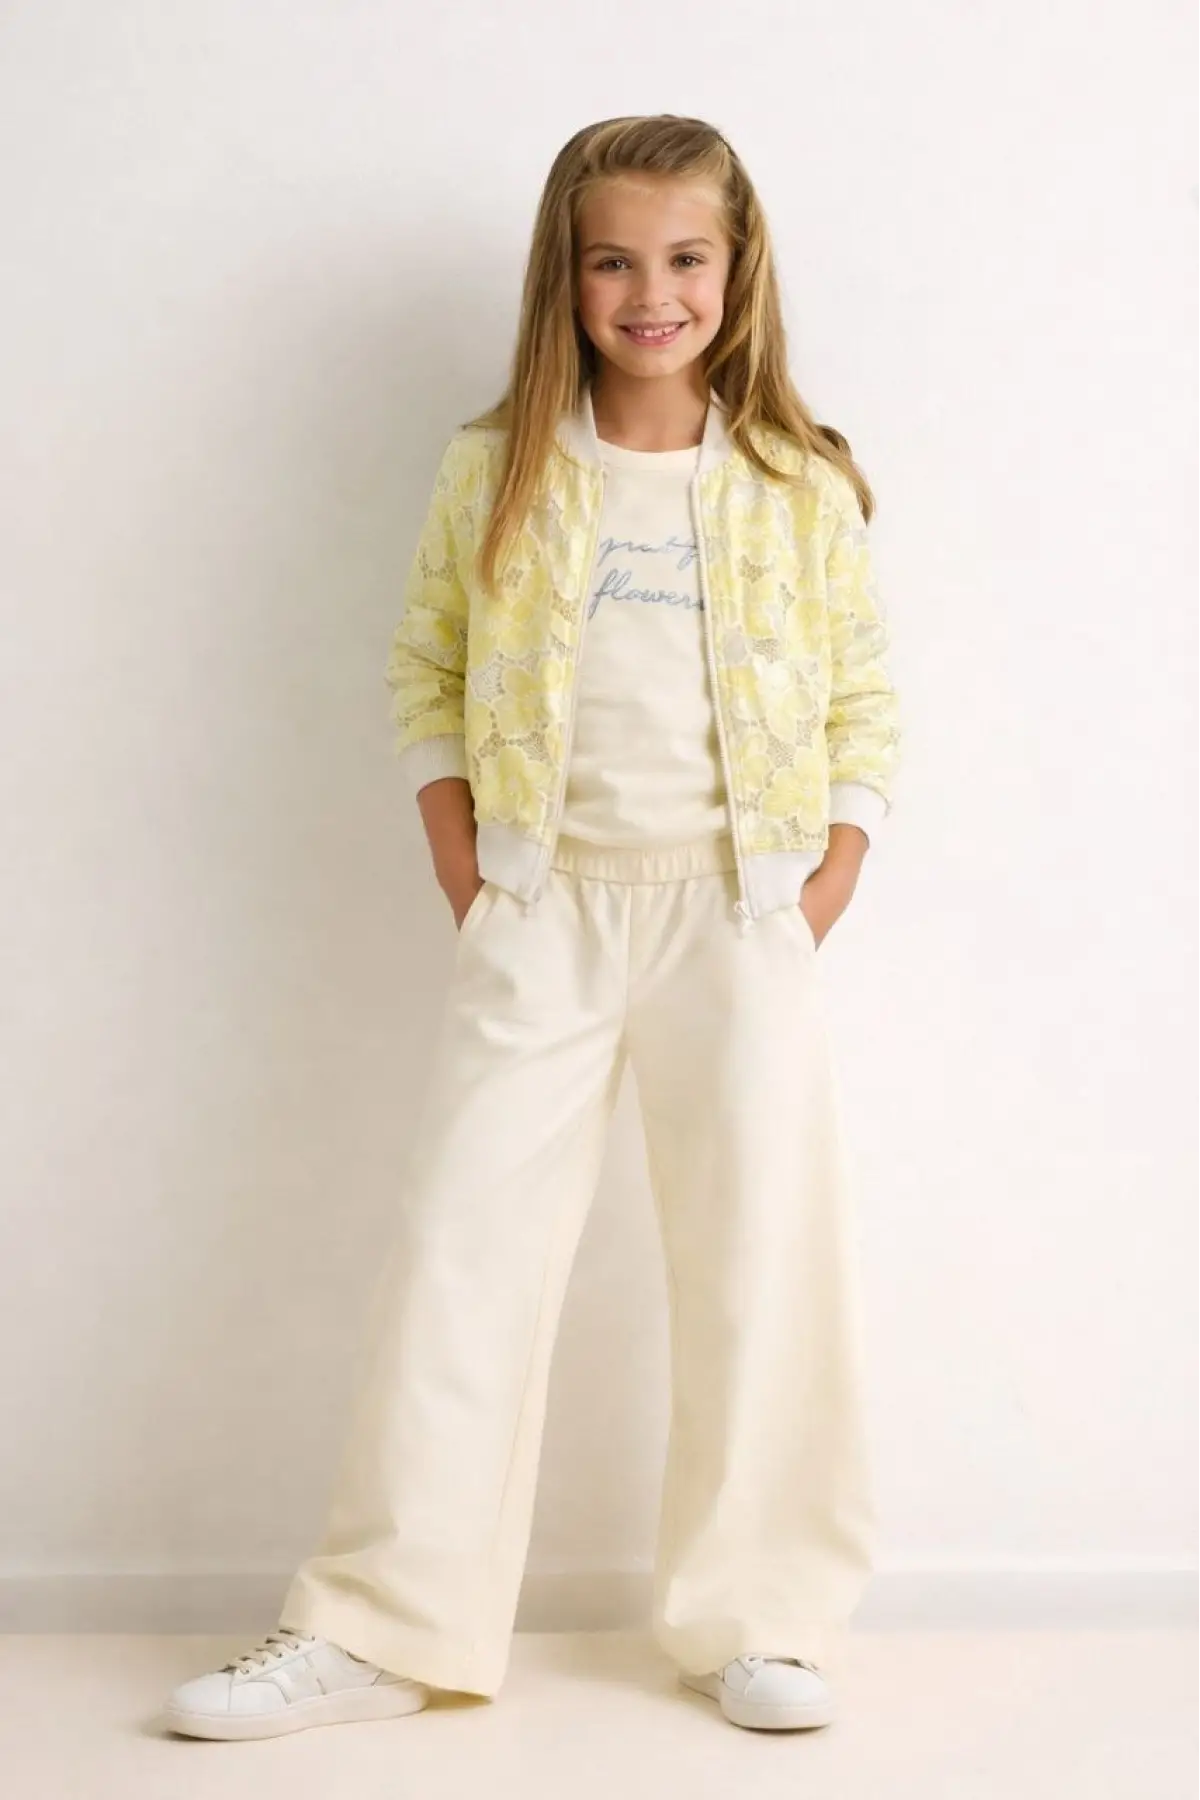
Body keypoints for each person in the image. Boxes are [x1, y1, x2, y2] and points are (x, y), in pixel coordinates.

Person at [162, 111, 902, 1743]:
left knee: (761, 1263)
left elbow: (862, 694)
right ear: (565, 279)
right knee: (463, 1256)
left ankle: (763, 1615)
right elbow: (426, 664)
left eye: (685, 258)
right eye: (612, 261)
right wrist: (470, 866)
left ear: (738, 269)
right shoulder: (496, 466)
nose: (652, 293)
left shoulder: (796, 479)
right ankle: (380, 1625)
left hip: (737, 912)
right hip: (542, 911)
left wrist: (824, 882)